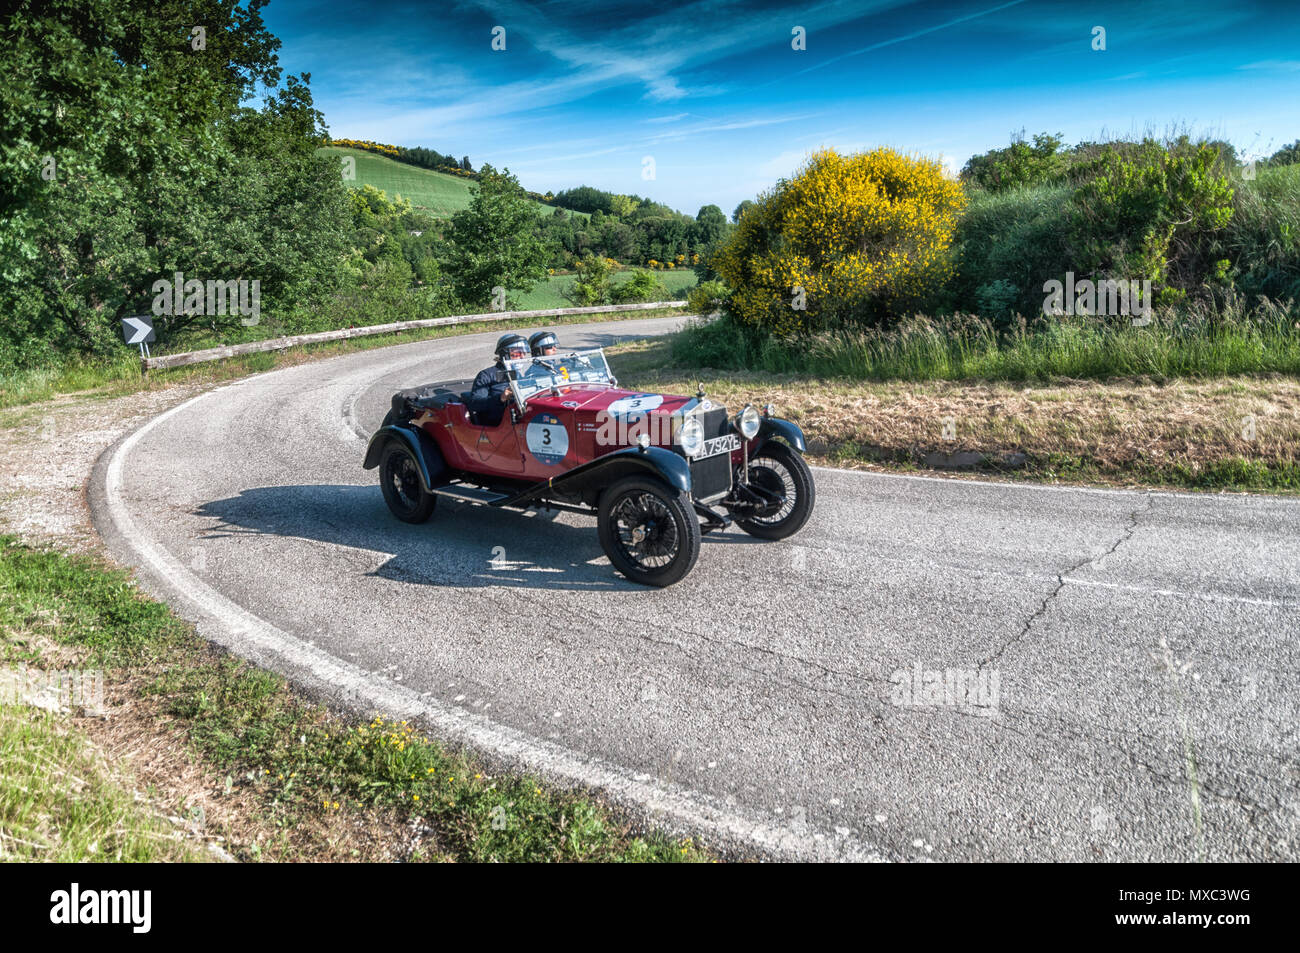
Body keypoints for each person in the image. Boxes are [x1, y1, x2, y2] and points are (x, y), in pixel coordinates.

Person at [467, 333, 528, 426]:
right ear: (505, 354)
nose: (522, 357)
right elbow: (475, 404)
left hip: (520, 418)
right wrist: (501, 398)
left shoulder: (518, 374)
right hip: (498, 423)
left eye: (524, 353)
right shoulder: (486, 375)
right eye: (517, 353)